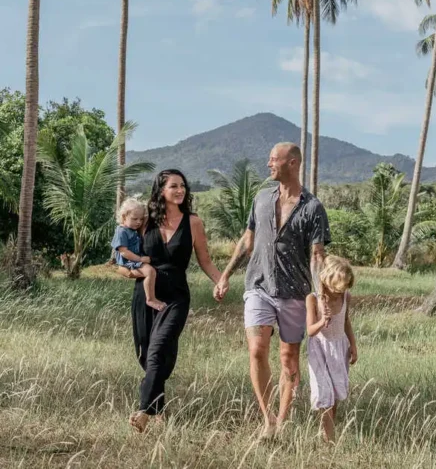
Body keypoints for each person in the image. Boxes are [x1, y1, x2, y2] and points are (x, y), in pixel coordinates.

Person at [214, 143, 331, 439]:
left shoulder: (313, 207)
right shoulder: (262, 198)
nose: (268, 164)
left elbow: (317, 256)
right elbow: (247, 240)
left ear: (292, 163)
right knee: (257, 349)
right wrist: (225, 275)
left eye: (273, 160)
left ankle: (282, 419)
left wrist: (322, 296)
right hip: (259, 286)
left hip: (295, 292)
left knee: (289, 357)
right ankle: (267, 419)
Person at [129, 169, 222, 433]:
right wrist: (140, 271)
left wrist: (220, 280)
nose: (180, 190)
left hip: (176, 297)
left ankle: (143, 410)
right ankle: (159, 411)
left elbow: (205, 261)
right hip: (145, 296)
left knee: (159, 349)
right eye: (173, 186)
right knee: (148, 356)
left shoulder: (193, 222)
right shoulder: (144, 221)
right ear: (160, 191)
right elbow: (122, 261)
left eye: (183, 185)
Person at [306, 256, 358, 442]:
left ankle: (325, 430)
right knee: (324, 394)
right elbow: (311, 331)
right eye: (337, 290)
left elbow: (345, 321)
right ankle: (330, 439)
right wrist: (322, 321)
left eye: (343, 290)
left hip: (339, 348)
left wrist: (353, 344)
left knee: (334, 395)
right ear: (326, 281)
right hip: (319, 350)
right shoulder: (313, 299)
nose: (339, 294)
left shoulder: (346, 297)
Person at [111, 198, 166, 312]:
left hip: (133, 260)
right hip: (128, 261)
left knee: (151, 271)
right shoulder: (122, 231)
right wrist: (140, 259)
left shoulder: (132, 229)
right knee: (150, 272)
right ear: (124, 217)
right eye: (134, 219)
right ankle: (150, 299)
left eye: (141, 219)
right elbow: (123, 252)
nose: (138, 222)